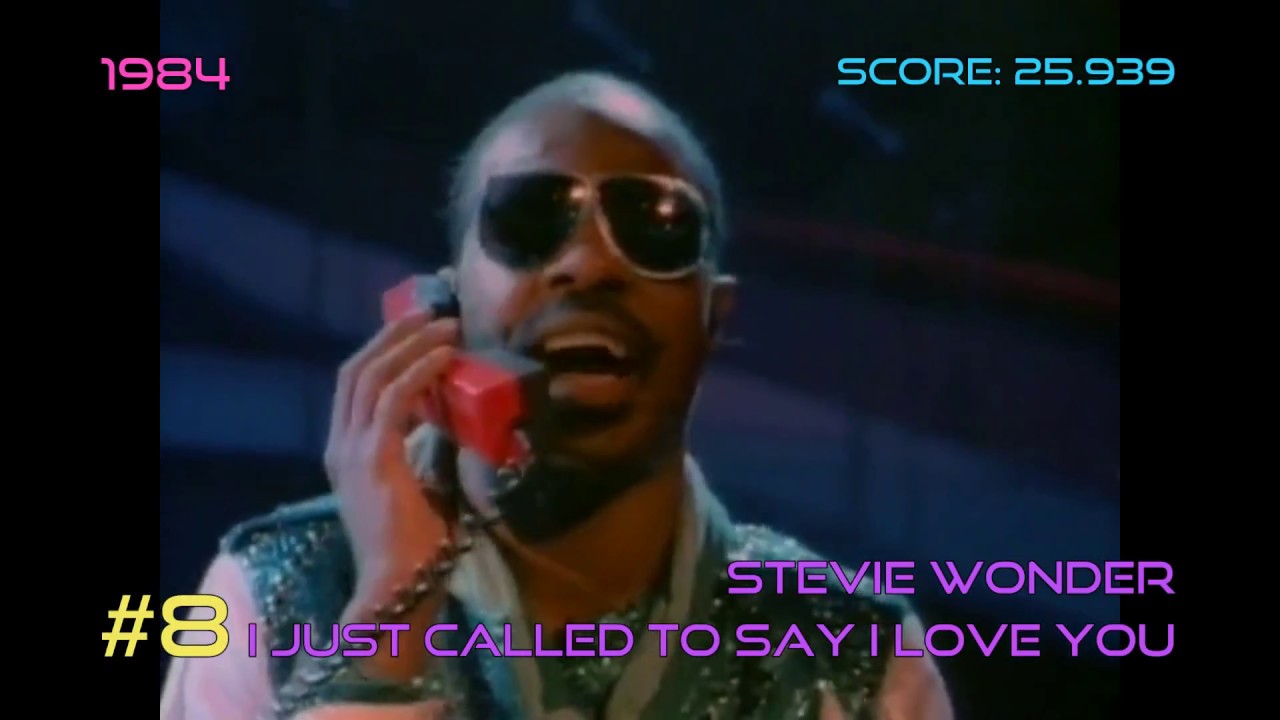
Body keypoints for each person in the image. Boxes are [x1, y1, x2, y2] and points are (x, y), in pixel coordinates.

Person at [160, 71, 952, 720]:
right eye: (530, 218)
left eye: (654, 225)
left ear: (714, 319)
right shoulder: (269, 597)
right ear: (442, 308)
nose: (589, 264)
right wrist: (392, 608)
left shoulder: (858, 656)